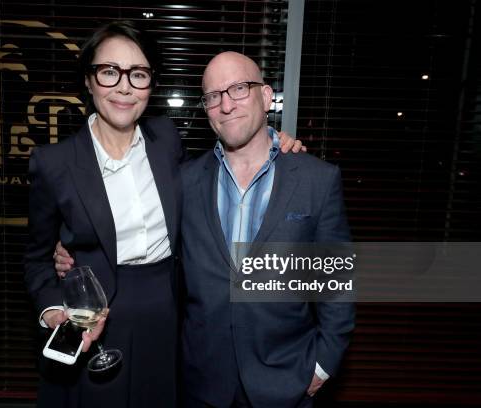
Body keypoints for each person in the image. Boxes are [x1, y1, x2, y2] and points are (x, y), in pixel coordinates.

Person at [25, 21, 302, 408]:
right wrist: (55, 312)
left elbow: (217, 177)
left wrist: (274, 141)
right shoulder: (53, 163)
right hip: (94, 324)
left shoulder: (166, 140)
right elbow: (37, 260)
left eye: (137, 75)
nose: (124, 87)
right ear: (88, 81)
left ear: (150, 85)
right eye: (109, 72)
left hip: (166, 319)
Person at [179, 52, 355, 407]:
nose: (226, 105)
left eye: (239, 88)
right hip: (202, 381)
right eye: (213, 96)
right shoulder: (183, 181)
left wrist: (322, 365)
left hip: (286, 381)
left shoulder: (315, 179)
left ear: (265, 96)